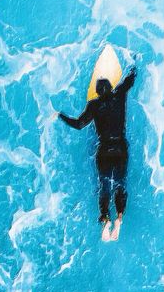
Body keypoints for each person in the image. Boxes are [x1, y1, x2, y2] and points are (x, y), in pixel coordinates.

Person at [57, 66, 136, 241]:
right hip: (120, 148)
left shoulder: (94, 105)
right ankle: (119, 218)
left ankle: (106, 219)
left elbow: (79, 124)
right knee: (120, 184)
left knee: (104, 185)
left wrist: (60, 115)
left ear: (98, 92)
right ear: (110, 88)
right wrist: (133, 65)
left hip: (104, 149)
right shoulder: (119, 95)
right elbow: (130, 80)